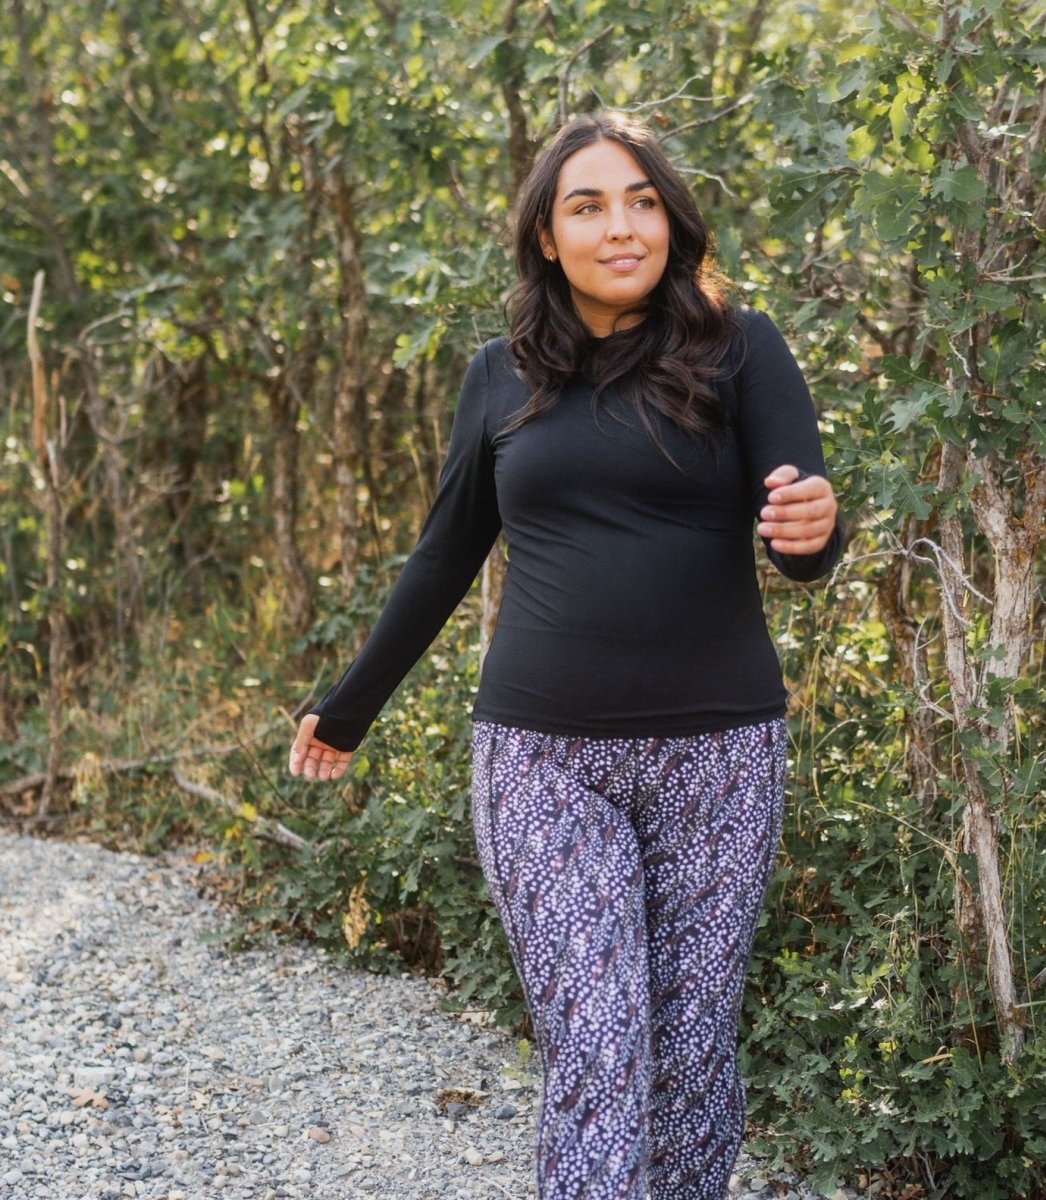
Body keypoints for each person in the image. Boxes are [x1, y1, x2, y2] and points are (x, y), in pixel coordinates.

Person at [288, 111, 842, 1200]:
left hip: (720, 754)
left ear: (672, 221)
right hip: (542, 756)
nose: (620, 226)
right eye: (587, 206)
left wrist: (815, 527)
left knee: (690, 1050)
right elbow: (444, 553)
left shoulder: (742, 347)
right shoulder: (499, 376)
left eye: (642, 201)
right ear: (547, 236)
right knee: (596, 1035)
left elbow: (802, 535)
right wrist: (349, 705)